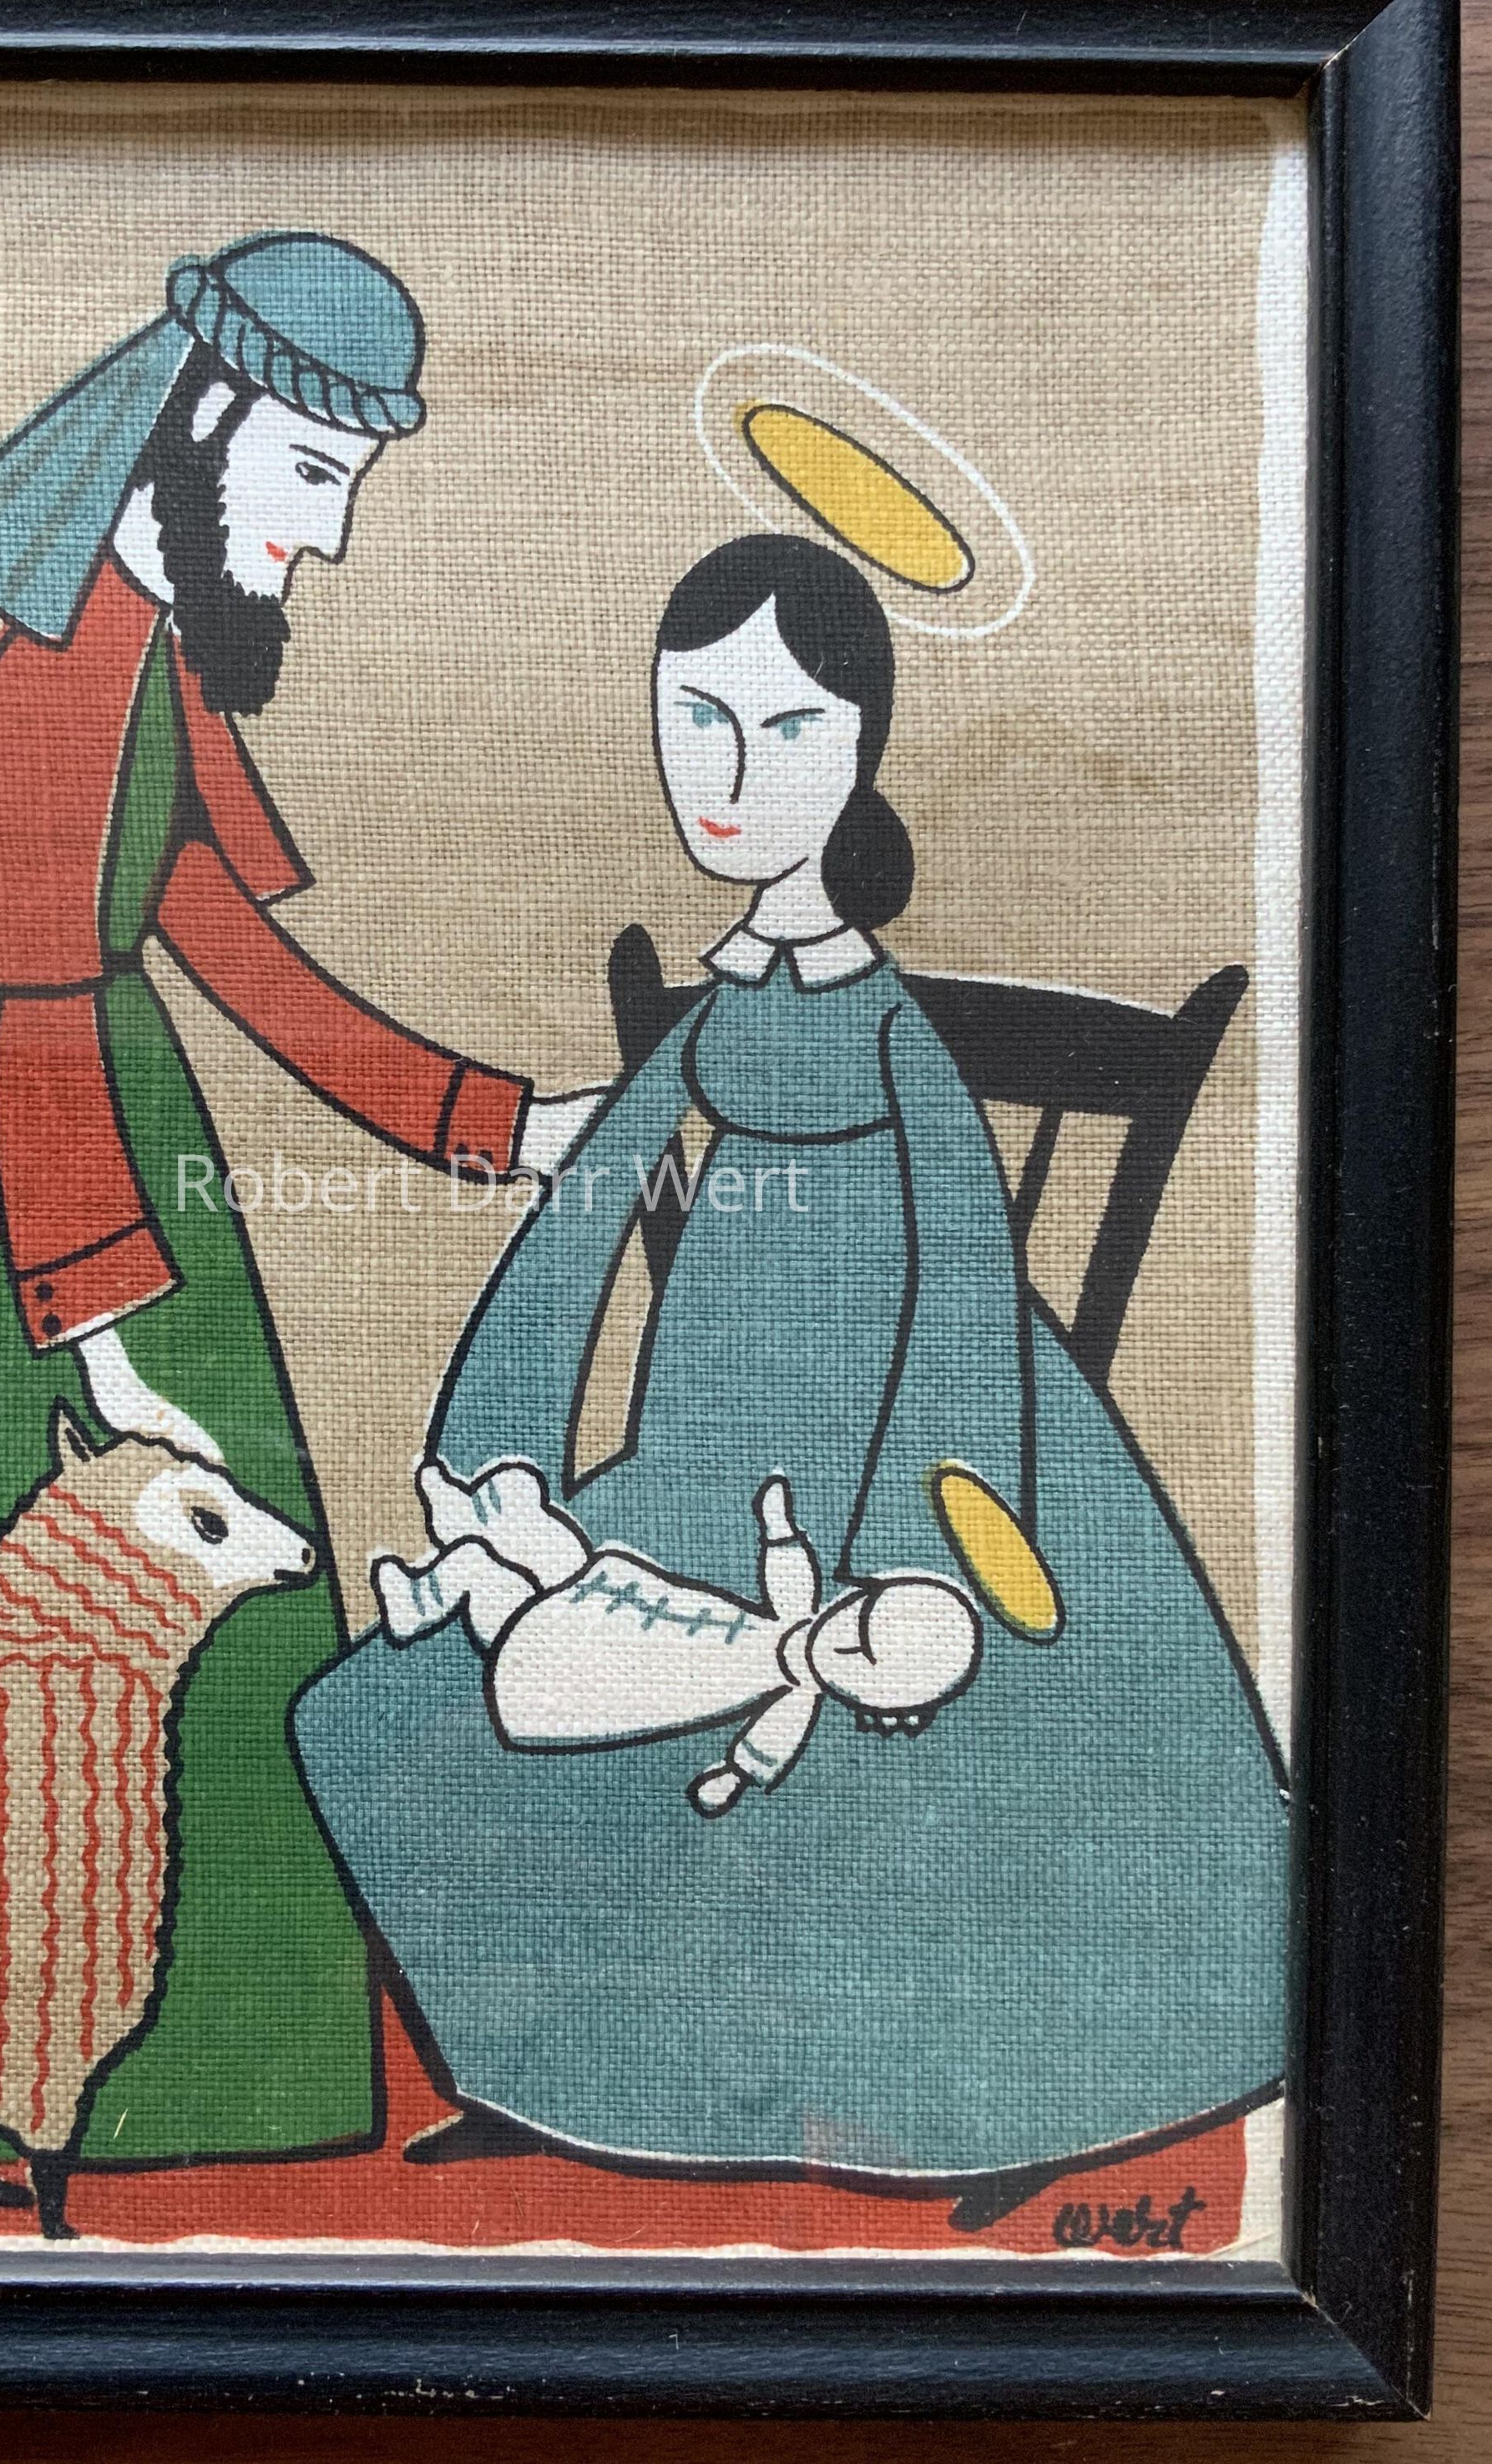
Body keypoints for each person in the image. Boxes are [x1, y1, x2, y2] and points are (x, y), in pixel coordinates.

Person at [292, 534, 1288, 2222]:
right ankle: (565, 2072)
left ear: (860, 749)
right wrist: (501, 1452)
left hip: (929, 1461)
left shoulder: (891, 1030)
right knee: (385, 1707)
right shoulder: (711, 1014)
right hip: (710, 1444)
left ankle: (970, 2093)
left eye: (784, 729)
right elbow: (584, 1219)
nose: (730, 773)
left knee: (904, 1741)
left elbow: (961, 1282)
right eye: (695, 718)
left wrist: (933, 1541)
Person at [0, 233, 594, 2207]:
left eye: (346, 487)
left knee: (203, 1612)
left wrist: (496, 1123)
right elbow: (30, 1020)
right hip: (19, 1207)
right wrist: (112, 1355)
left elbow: (236, 956)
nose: (324, 535)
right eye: (308, 474)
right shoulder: (64, 679)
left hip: (114, 1150)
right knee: (1, 1635)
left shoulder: (146, 667)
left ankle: (205, 2065)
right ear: (191, 428)